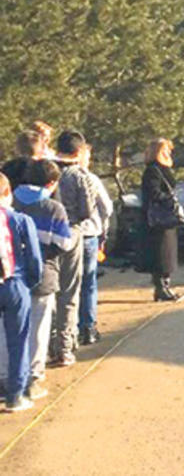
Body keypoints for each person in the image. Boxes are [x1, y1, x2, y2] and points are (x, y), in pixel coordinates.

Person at [8, 161, 76, 394]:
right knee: (38, 328)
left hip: (9, 276)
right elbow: (64, 243)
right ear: (52, 183)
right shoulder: (53, 208)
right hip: (43, 275)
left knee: (7, 328)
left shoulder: (10, 202)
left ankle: (6, 375)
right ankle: (32, 378)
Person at [0, 172, 43, 412]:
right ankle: (16, 395)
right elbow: (34, 258)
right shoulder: (20, 220)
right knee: (18, 341)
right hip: (15, 283)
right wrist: (32, 282)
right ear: (7, 193)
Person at [55, 131, 101, 351]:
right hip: (76, 233)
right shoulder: (80, 176)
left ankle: (54, 340)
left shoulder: (46, 171)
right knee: (76, 289)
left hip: (49, 235)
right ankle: (74, 336)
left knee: (54, 289)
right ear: (79, 152)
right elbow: (88, 210)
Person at [78, 145, 112, 345]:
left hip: (64, 237)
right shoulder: (91, 179)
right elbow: (106, 207)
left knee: (68, 286)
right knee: (88, 283)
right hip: (89, 233)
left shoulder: (58, 178)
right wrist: (103, 233)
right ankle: (88, 327)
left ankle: (69, 330)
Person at [142, 138, 180, 302]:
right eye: (166, 150)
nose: (169, 153)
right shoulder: (153, 171)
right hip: (158, 218)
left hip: (166, 218)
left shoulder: (162, 169)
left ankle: (165, 285)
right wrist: (168, 198)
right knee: (161, 255)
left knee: (167, 254)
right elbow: (153, 193)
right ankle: (161, 287)